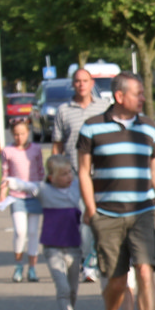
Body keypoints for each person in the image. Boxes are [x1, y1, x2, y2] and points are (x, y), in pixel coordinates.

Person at [77, 72, 155, 310]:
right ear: (119, 96)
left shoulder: (148, 127)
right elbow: (84, 172)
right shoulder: (92, 128)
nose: (143, 98)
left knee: (145, 272)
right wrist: (92, 211)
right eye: (137, 94)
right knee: (116, 281)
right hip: (108, 214)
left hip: (143, 212)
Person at [53, 68, 114, 282]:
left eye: (85, 81)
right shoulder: (63, 110)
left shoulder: (104, 107)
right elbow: (57, 144)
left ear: (91, 83)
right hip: (75, 174)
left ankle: (96, 259)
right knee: (84, 219)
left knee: (102, 218)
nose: (81, 85)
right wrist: (55, 173)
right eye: (77, 81)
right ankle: (88, 261)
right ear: (73, 84)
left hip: (102, 172)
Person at [35, 154, 83, 310]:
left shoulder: (76, 187)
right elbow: (27, 186)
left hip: (74, 246)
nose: (69, 177)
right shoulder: (45, 190)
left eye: (70, 172)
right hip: (52, 247)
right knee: (63, 287)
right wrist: (10, 182)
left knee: (72, 290)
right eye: (63, 174)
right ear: (51, 178)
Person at [0, 118, 45, 282]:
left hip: (34, 195)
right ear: (11, 134)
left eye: (22, 134)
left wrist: (44, 191)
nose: (19, 137)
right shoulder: (8, 151)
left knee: (33, 232)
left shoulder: (36, 149)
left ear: (28, 133)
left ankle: (32, 268)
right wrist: (2, 193)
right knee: (20, 231)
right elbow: (5, 174)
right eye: (16, 134)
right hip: (16, 197)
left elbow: (41, 172)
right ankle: (18, 265)